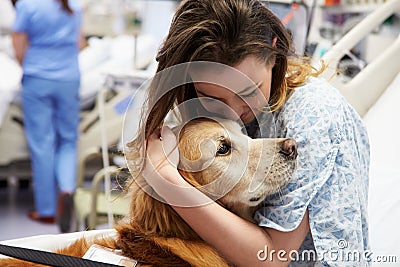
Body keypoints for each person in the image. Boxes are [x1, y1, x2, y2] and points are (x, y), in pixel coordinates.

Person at [126, 0, 370, 266]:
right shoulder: (194, 110)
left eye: (248, 91)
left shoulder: (314, 115)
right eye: (211, 97)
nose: (231, 112)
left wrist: (166, 179)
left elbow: (271, 259)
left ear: (274, 53)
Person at [11, 0, 83, 233]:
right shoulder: (74, 4)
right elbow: (79, 43)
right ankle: (68, 190)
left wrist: (29, 66)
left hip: (37, 78)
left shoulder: (28, 5)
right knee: (68, 140)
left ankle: (47, 211)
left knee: (42, 143)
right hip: (69, 79)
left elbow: (18, 44)